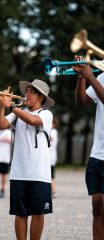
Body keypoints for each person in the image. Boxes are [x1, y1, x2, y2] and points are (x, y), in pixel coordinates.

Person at [0, 79, 55, 240]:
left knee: (38, 213)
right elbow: (0, 125)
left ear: (41, 96)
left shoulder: (46, 114)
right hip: (18, 172)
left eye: (31, 91)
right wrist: (2, 106)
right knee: (20, 214)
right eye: (26, 90)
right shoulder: (17, 113)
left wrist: (12, 106)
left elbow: (33, 120)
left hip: (39, 174)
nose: (26, 94)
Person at [73, 55, 104, 240]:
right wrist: (82, 77)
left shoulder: (97, 77)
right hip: (97, 154)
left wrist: (90, 76)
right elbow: (81, 101)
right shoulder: (101, 77)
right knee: (97, 206)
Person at [50, 117, 59, 198]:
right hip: (51, 157)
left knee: (50, 176)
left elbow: (49, 138)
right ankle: (52, 191)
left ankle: (53, 191)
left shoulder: (53, 131)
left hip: (50, 158)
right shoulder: (52, 131)